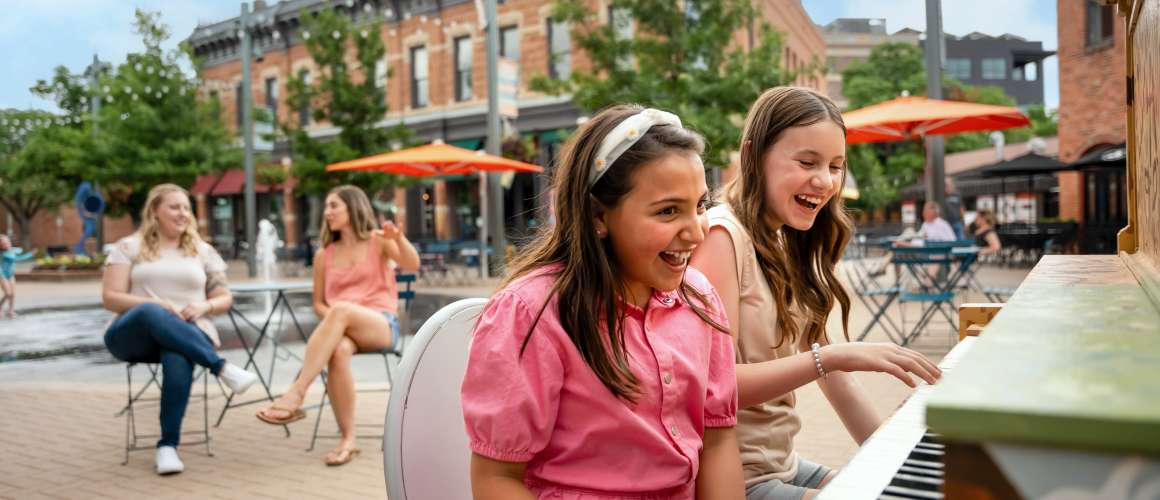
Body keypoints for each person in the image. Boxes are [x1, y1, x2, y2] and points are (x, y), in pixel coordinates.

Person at [462, 105, 744, 499]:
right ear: (598, 215)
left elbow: (717, 442)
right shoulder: (532, 314)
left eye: (700, 205)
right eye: (668, 211)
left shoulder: (699, 297)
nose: (697, 232)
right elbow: (496, 478)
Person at [690, 87, 942, 500]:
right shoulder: (722, 237)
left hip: (782, 464)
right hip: (736, 480)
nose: (825, 181)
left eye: (836, 166)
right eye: (807, 162)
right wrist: (832, 357)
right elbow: (709, 388)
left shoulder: (784, 238)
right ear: (754, 155)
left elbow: (834, 377)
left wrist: (893, 458)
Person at [256, 185, 420, 466]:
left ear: (353, 207)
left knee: (341, 309)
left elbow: (412, 264)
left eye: (334, 206)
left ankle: (297, 391)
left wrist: (399, 239)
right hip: (345, 330)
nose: (327, 212)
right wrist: (336, 318)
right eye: (327, 207)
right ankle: (348, 439)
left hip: (381, 325)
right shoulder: (324, 255)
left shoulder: (378, 241)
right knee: (338, 350)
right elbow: (319, 303)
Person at [101, 183, 258, 475]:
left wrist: (204, 307)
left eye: (186, 207)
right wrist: (157, 304)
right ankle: (222, 368)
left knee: (177, 356)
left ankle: (167, 447)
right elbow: (111, 298)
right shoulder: (129, 247)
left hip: (189, 333)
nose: (183, 213)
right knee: (151, 310)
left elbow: (224, 298)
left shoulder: (203, 251)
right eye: (174, 207)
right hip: (133, 335)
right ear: (155, 211)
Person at [0, 235, 35, 318]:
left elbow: (19, 253)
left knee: (13, 294)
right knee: (8, 293)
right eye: (4, 244)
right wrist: (30, 254)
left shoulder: (12, 250)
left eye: (7, 242)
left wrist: (29, 253)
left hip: (11, 274)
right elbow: (17, 259)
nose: (7, 244)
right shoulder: (2, 254)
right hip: (2, 275)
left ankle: (11, 311)